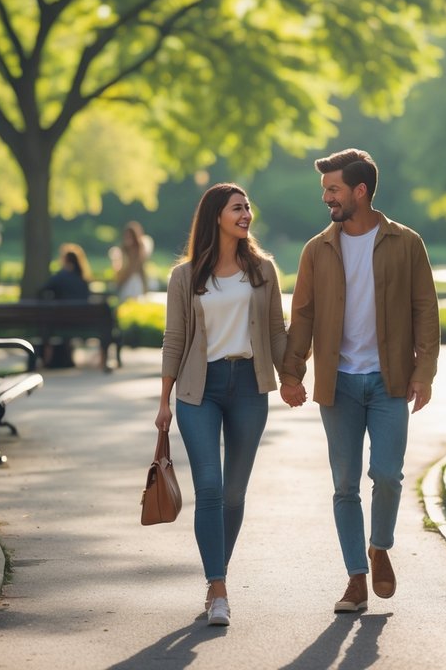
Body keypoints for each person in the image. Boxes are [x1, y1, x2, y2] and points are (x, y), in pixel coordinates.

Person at [278, 148, 440, 614]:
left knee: (387, 475)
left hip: (390, 382)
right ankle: (355, 578)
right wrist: (292, 373)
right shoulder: (317, 249)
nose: (326, 197)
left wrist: (423, 372)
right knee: (345, 485)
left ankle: (379, 546)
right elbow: (302, 316)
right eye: (325, 189)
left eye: (333, 189)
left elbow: (425, 310)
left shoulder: (406, 243)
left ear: (360, 191)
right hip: (340, 385)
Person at [155, 183, 296, 628]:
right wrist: (164, 401)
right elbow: (174, 339)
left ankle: (217, 575)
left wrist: (292, 375)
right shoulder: (185, 276)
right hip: (200, 390)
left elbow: (276, 331)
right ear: (217, 215)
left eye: (248, 207)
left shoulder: (264, 271)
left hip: (249, 388)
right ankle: (218, 588)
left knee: (234, 493)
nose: (246, 214)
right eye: (238, 208)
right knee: (211, 488)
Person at [112, 221, 151, 301]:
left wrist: (145, 289)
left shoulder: (139, 252)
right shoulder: (121, 251)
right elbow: (119, 272)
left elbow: (141, 271)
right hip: (125, 283)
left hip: (135, 284)